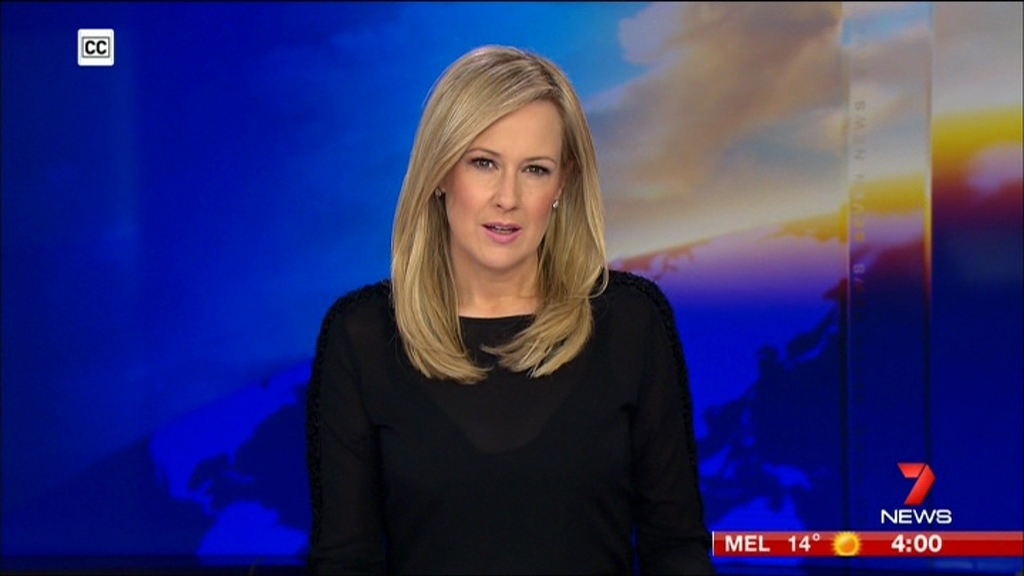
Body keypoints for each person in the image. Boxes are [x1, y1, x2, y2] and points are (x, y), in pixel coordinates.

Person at [306, 45, 715, 575]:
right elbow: (345, 561)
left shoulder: (631, 323)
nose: (508, 197)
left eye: (535, 170)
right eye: (484, 163)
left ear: (562, 183)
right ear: (440, 172)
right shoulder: (361, 337)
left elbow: (676, 549)